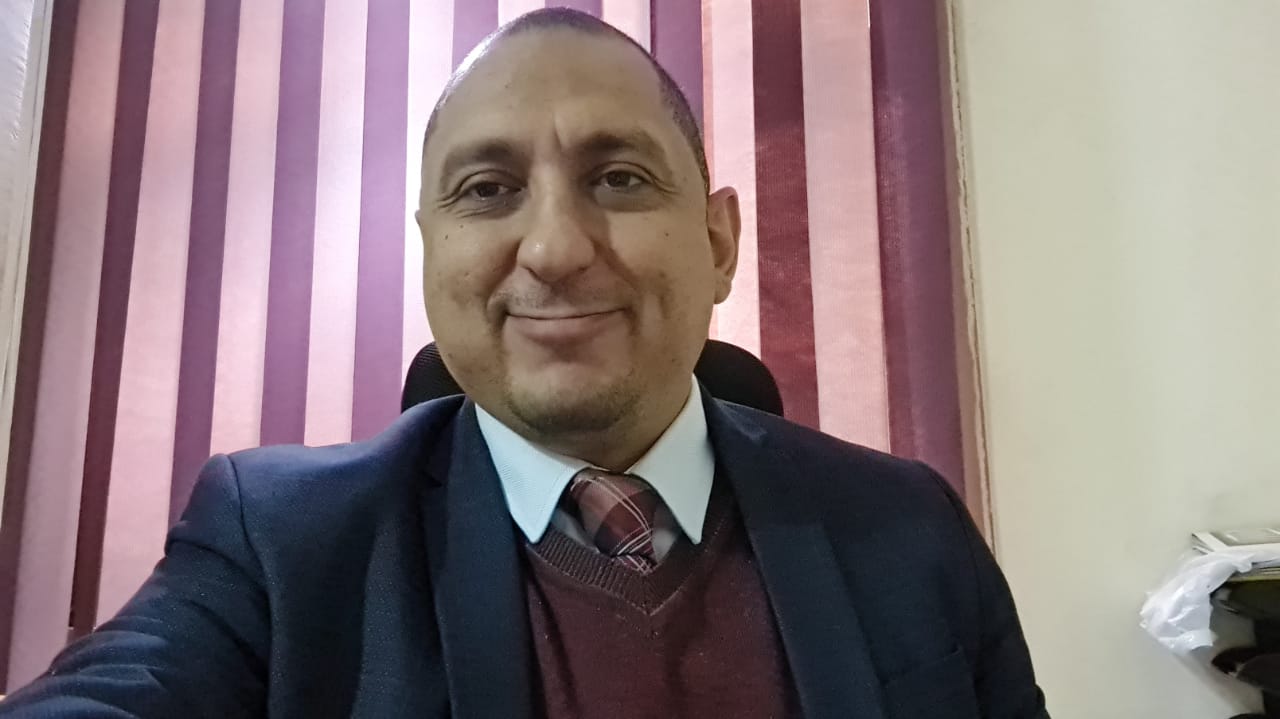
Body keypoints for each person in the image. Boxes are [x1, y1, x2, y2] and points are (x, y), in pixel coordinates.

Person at [0, 8, 1048, 718]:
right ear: (432, 251)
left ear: (719, 241)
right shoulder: (276, 542)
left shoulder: (913, 531)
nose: (552, 247)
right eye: (488, 190)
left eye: (619, 177)